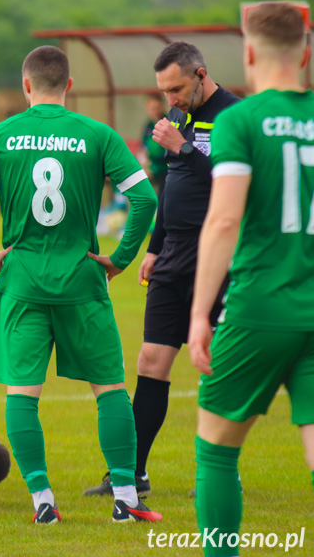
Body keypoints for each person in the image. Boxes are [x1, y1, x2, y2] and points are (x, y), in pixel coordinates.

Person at [0, 45, 160, 524]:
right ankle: (126, 495)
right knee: (111, 389)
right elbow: (143, 199)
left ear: (25, 86)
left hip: (22, 280)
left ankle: (43, 501)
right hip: (82, 278)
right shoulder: (98, 135)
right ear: (69, 87)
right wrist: (120, 259)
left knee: (23, 394)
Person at [83, 41, 240, 499]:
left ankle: (220, 472)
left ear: (200, 74)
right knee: (151, 361)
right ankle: (132, 473)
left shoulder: (234, 116)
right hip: (174, 255)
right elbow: (173, 186)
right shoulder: (175, 119)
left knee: (221, 366)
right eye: (163, 90)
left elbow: (240, 184)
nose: (170, 98)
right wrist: (154, 246)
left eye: (176, 88)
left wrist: (186, 149)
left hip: (221, 255)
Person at [188, 3, 314, 556]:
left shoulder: (240, 119)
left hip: (259, 307)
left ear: (248, 52)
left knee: (216, 447)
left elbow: (223, 219)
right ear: (306, 54)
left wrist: (198, 315)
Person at [140, 94, 168, 197]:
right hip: (152, 166)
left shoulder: (169, 122)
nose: (155, 111)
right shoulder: (148, 126)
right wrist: (144, 166)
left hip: (165, 167)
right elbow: (143, 148)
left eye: (157, 108)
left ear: (163, 106)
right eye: (152, 109)